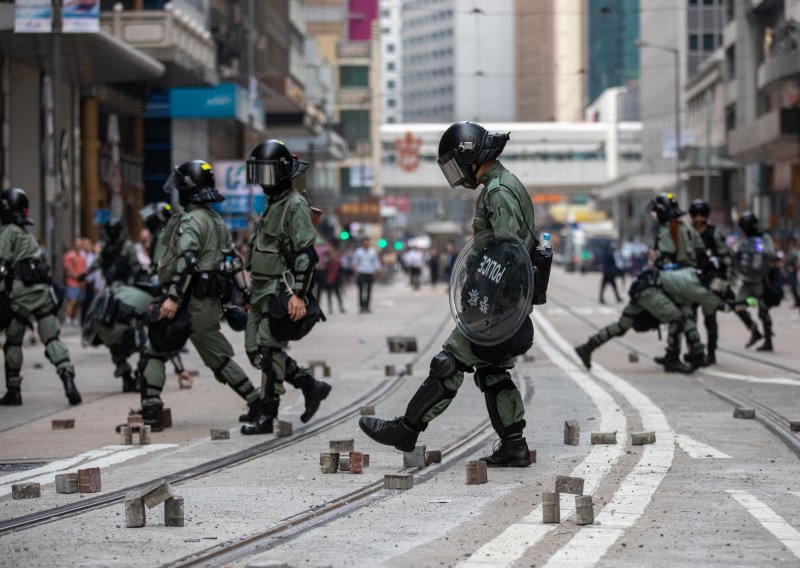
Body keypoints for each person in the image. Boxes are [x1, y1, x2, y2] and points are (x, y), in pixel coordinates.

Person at [360, 121, 536, 467]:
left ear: (469, 158)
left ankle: (407, 429)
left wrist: (480, 295)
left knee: (448, 363)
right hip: (505, 304)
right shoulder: (500, 184)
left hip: (495, 305)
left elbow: (507, 252)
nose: (457, 174)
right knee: (492, 370)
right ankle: (514, 444)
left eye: (456, 164)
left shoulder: (498, 191)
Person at [135, 160, 268, 432]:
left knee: (155, 351)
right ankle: (256, 402)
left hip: (187, 302)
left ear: (187, 188)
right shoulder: (215, 220)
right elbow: (233, 260)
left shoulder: (191, 220)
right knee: (218, 358)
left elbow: (187, 261)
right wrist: (244, 292)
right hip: (206, 303)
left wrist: (172, 297)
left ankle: (151, 413)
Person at [241, 140, 332, 435]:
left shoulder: (294, 205)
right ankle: (310, 385)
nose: (263, 182)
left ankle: (268, 415)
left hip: (279, 290)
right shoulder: (273, 204)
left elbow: (306, 254)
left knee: (268, 351)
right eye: (259, 175)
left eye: (267, 174)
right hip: (260, 289)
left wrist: (298, 295)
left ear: (281, 174)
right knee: (254, 348)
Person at [0, 187, 81, 406]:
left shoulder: (8, 232)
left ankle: (14, 390)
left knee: (14, 342)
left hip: (20, 295)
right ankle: (68, 380)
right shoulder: (27, 235)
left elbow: (2, 265)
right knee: (52, 339)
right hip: (43, 292)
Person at [575, 268, 700, 373]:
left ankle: (587, 348)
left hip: (644, 291)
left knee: (621, 326)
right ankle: (672, 359)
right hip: (653, 293)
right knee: (677, 318)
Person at [687, 199, 732, 364]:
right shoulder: (687, 232)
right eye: (696, 214)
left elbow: (725, 257)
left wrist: (723, 281)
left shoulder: (714, 234)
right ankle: (694, 350)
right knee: (689, 318)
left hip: (710, 281)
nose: (699, 218)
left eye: (702, 214)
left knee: (710, 318)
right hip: (690, 280)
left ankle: (711, 352)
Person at [732, 212, 777, 351]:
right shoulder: (744, 240)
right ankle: (754, 331)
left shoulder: (763, 238)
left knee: (763, 311)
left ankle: (768, 339)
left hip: (761, 281)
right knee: (739, 306)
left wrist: (757, 249)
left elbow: (769, 253)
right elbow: (738, 255)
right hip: (747, 281)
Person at [89, 216, 142, 287]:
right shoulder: (105, 247)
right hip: (109, 283)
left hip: (124, 283)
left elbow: (135, 264)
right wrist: (86, 273)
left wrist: (132, 279)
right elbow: (97, 262)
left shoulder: (126, 246)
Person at [352, 237, 381, 313]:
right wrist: (355, 271)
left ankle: (367, 306)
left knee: (369, 291)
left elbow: (376, 262)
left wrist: (377, 270)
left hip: (369, 273)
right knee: (360, 291)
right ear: (363, 243)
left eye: (368, 242)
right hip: (361, 273)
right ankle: (361, 307)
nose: (366, 243)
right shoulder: (358, 252)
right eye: (365, 242)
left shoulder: (373, 252)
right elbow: (354, 262)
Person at [63, 237, 87, 327]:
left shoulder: (82, 256)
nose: (79, 247)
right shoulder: (70, 255)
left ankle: (73, 318)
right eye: (78, 245)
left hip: (81, 283)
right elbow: (68, 269)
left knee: (78, 302)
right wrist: (76, 276)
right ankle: (68, 318)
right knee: (72, 301)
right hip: (73, 282)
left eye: (80, 245)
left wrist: (83, 277)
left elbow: (85, 268)